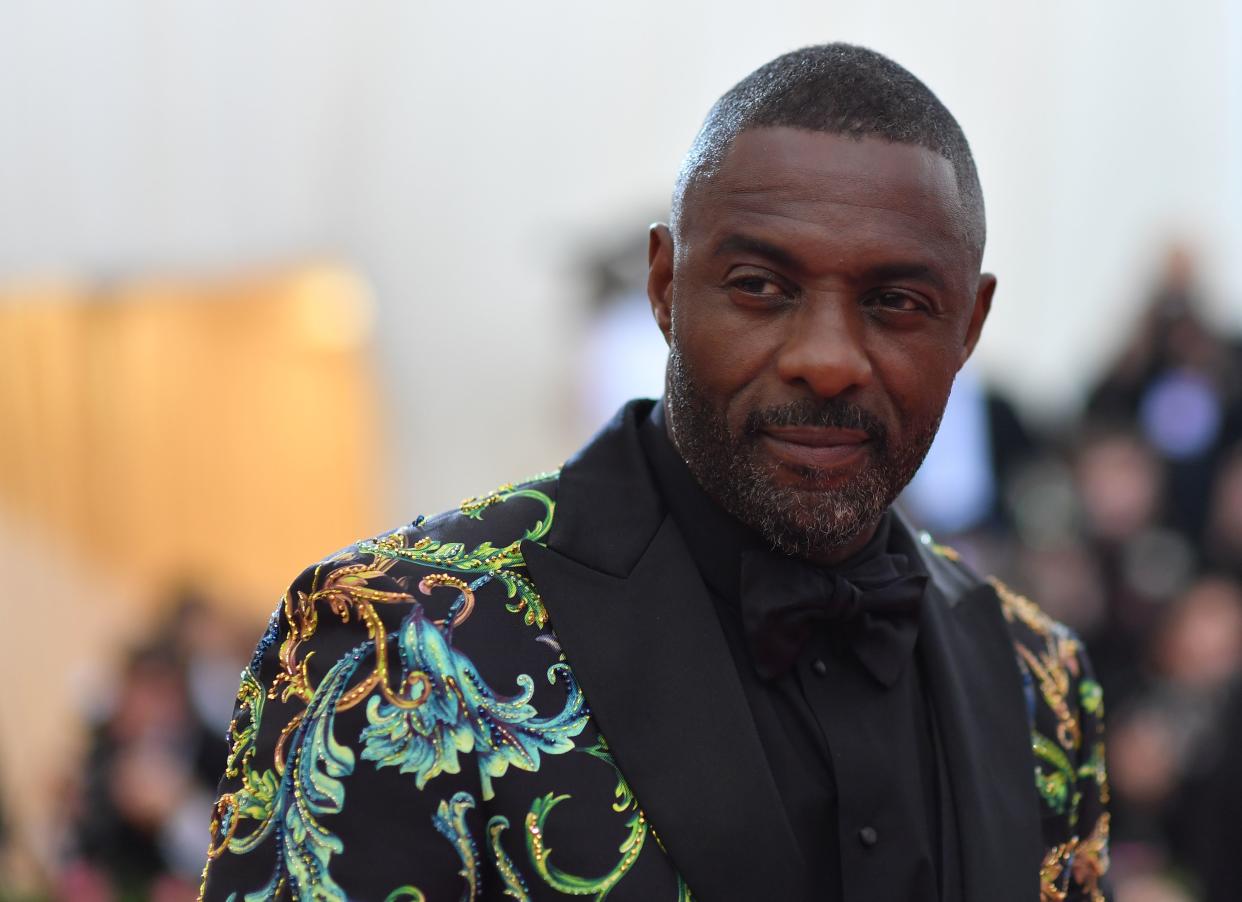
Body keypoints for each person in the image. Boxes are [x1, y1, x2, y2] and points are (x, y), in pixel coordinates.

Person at [201, 44, 1109, 901]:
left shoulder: (1043, 683)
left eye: (896, 302)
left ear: (971, 326)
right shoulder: (397, 639)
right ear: (665, 287)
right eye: (761, 286)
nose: (828, 360)